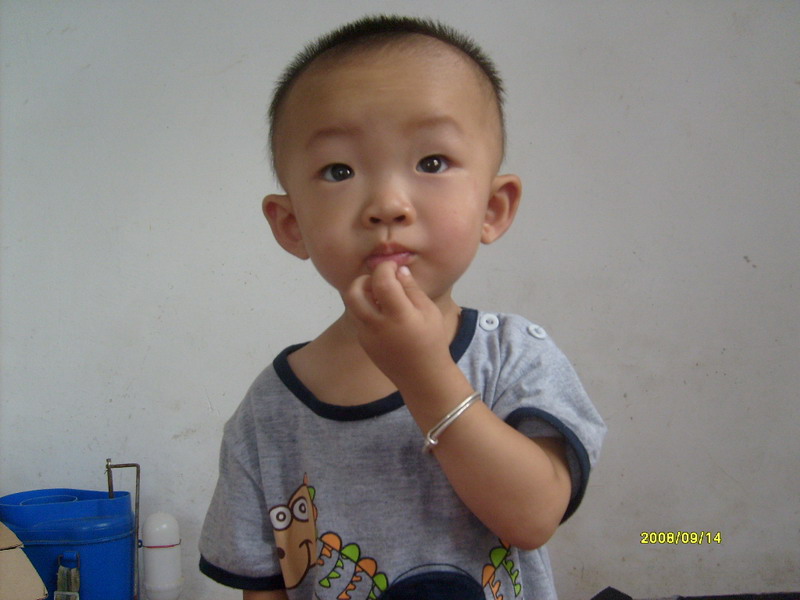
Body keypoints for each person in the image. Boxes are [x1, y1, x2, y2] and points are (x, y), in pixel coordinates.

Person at [199, 14, 606, 600]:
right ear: (291, 225)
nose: (387, 203)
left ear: (493, 208)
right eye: (339, 170)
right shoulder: (268, 413)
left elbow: (533, 517)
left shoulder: (515, 358)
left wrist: (422, 371)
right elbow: (262, 585)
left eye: (431, 162)